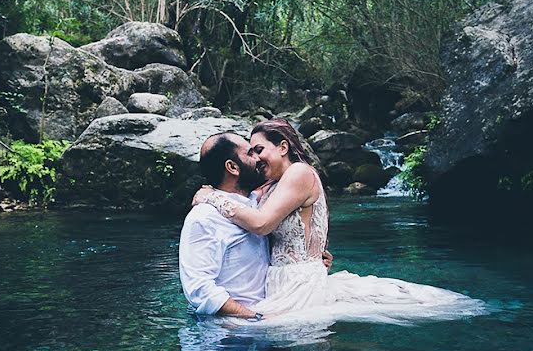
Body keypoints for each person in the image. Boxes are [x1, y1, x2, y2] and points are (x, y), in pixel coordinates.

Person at [194, 118, 485, 323]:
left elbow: (261, 224)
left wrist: (211, 197)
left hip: (297, 283)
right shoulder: (268, 187)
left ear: (283, 147)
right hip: (277, 283)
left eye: (259, 150)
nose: (256, 158)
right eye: (251, 152)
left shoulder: (299, 173)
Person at [178, 132, 269, 320]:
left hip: (268, 313)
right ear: (233, 167)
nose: (259, 158)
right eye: (251, 153)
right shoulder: (204, 217)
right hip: (229, 333)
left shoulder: (259, 205)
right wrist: (254, 318)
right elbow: (199, 289)